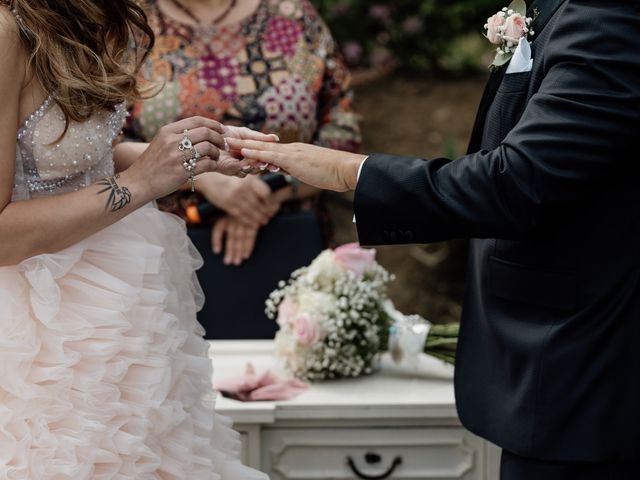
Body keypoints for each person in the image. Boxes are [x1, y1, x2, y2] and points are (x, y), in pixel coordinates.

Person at [228, 0, 640, 478]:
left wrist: (349, 171)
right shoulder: (566, 8)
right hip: (556, 367)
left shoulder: (609, 15)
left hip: (587, 372)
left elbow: (517, 181)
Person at [0, 1, 270, 478]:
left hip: (122, 304)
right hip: (31, 326)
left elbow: (78, 159)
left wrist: (193, 163)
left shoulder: (101, 14)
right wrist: (144, 181)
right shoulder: (6, 33)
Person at [125, 0, 360, 265]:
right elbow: (103, 150)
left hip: (290, 235)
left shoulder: (293, 14)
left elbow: (342, 130)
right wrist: (201, 178)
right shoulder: (128, 24)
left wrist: (266, 194)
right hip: (160, 248)